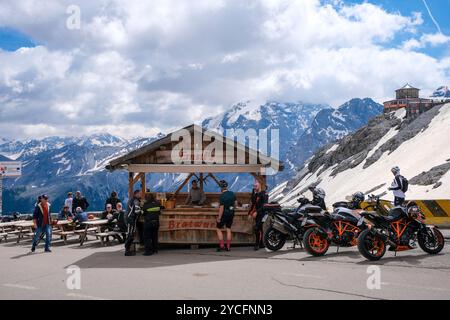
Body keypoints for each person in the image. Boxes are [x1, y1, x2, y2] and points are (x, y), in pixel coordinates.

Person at [216, 180, 238, 252]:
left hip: (224, 214)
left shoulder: (222, 196)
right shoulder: (232, 194)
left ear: (221, 188)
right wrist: (231, 208)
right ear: (227, 186)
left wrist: (219, 218)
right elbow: (235, 205)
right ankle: (228, 247)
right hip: (231, 213)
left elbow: (221, 208)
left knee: (218, 228)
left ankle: (222, 246)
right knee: (228, 229)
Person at [248, 180, 269, 250]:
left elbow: (264, 205)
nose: (254, 187)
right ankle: (261, 244)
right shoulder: (256, 194)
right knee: (259, 228)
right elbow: (253, 203)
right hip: (257, 214)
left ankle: (257, 244)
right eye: (254, 186)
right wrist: (250, 213)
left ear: (260, 185)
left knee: (257, 228)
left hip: (263, 214)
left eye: (256, 186)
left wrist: (256, 212)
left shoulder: (264, 194)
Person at [124, 190, 143, 256]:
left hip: (129, 218)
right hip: (131, 219)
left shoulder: (132, 199)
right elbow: (137, 211)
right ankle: (127, 250)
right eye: (140, 193)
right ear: (136, 194)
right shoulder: (135, 201)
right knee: (130, 234)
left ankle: (128, 249)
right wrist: (142, 211)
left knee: (130, 234)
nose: (141, 195)